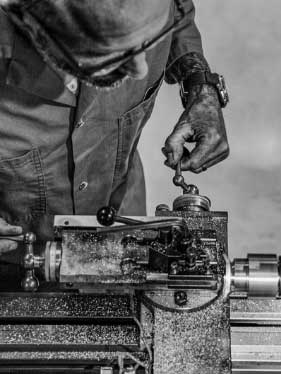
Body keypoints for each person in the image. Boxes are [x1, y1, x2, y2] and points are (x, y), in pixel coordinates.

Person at [0, 0, 229, 254]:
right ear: (37, 29)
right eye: (117, 56)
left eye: (149, 41)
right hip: (23, 252)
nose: (141, 69)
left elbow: (178, 12)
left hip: (124, 228)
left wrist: (199, 83)